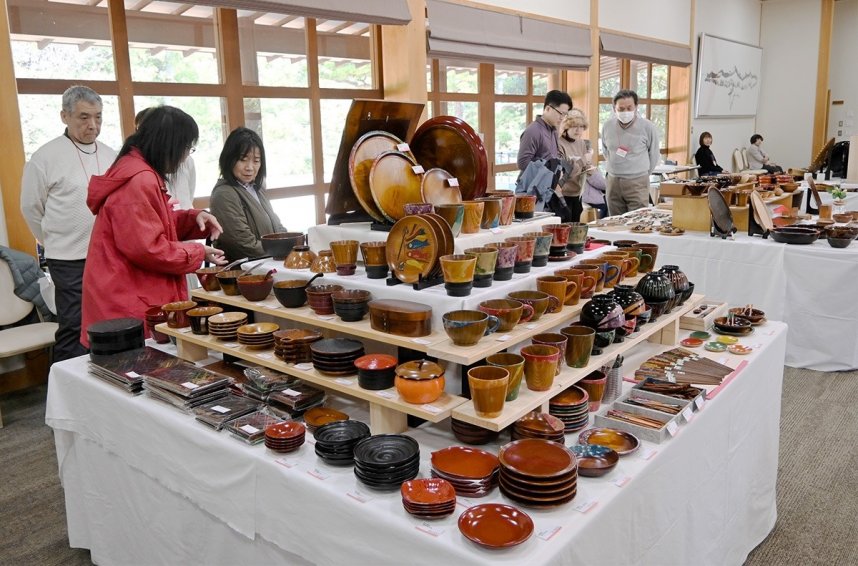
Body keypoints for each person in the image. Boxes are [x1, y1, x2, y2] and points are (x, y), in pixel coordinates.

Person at [80, 106, 225, 346]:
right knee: (135, 373)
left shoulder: (138, 170)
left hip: (128, 289)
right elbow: (147, 248)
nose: (186, 156)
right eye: (187, 148)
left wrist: (195, 219)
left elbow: (153, 223)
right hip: (126, 294)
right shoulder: (139, 180)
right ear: (170, 145)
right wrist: (199, 252)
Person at [20, 85, 118, 361]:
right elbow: (30, 208)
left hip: (108, 255)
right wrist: (51, 240)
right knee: (74, 327)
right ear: (65, 116)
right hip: (67, 257)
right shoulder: (45, 157)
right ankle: (64, 395)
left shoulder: (112, 154)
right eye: (84, 117)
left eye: (98, 117)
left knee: (111, 321)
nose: (93, 125)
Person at [210, 127, 286, 263]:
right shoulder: (224, 194)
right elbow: (244, 244)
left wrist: (292, 243)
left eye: (256, 161)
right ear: (229, 160)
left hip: (267, 264)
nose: (250, 167)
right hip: (244, 273)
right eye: (243, 159)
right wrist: (282, 250)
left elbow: (277, 227)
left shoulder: (257, 188)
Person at [601, 89, 661, 216]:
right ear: (614, 109)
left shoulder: (647, 127)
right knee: (614, 221)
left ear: (636, 107)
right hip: (613, 181)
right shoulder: (607, 126)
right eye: (621, 109)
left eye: (629, 108)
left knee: (637, 221)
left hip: (637, 181)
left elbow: (654, 154)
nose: (625, 112)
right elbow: (606, 151)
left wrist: (642, 173)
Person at [516, 90, 574, 220]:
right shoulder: (533, 131)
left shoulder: (553, 130)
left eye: (565, 115)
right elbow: (523, 162)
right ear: (548, 108)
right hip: (533, 191)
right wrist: (548, 172)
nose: (562, 118)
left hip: (547, 189)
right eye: (561, 113)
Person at [135, 108, 197, 209]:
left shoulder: (187, 160)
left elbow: (190, 192)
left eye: (188, 147)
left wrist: (191, 216)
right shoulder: (141, 173)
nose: (184, 156)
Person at [557, 109, 595, 222]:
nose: (578, 130)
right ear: (566, 126)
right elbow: (566, 172)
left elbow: (585, 166)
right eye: (574, 126)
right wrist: (584, 160)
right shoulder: (559, 144)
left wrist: (589, 168)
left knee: (576, 228)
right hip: (562, 195)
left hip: (578, 194)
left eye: (581, 126)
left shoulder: (581, 143)